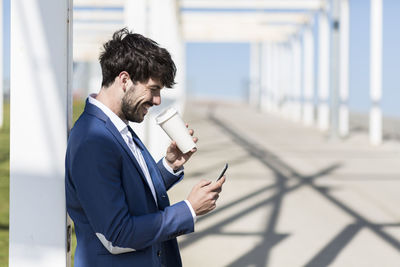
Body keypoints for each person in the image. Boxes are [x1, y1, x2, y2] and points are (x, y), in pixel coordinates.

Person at [65, 28, 226, 267]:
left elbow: (126, 190)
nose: (158, 100)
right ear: (124, 80)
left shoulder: (114, 127)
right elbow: (117, 236)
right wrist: (189, 209)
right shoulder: (93, 141)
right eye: (153, 89)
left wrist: (168, 165)